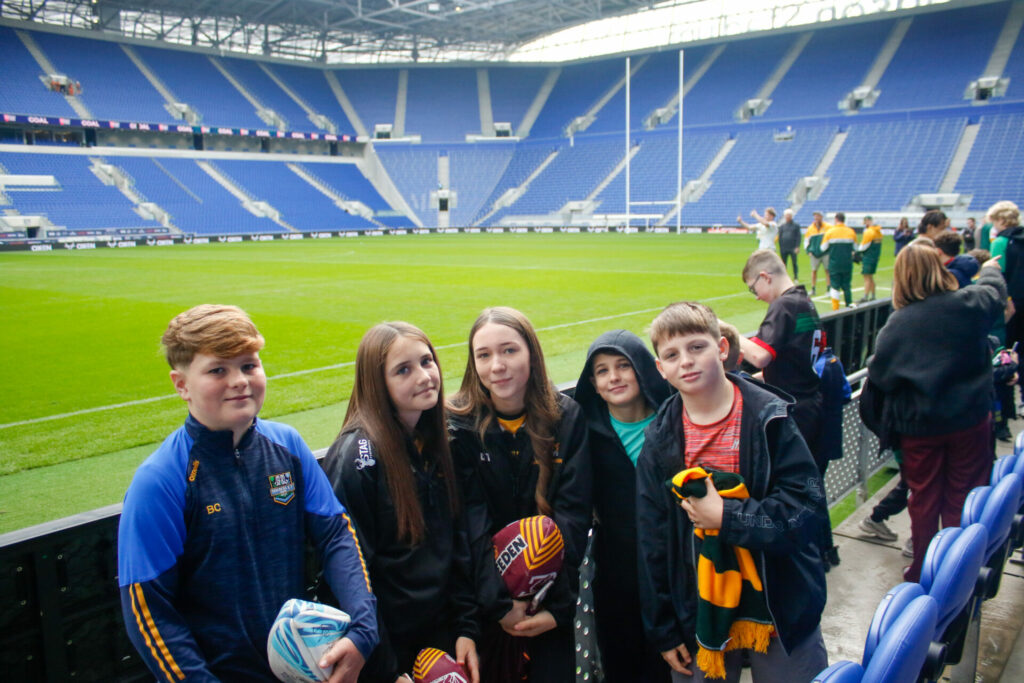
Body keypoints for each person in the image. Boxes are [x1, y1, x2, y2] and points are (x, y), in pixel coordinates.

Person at [117, 305, 378, 682]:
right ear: (181, 384)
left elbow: (336, 534)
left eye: (249, 365)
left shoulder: (287, 446)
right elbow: (149, 612)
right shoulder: (160, 480)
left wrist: (363, 632)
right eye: (218, 370)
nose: (239, 380)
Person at [636, 301, 828, 683]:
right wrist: (664, 629)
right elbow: (652, 540)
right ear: (661, 369)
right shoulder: (659, 439)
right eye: (672, 355)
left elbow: (808, 509)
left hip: (780, 604)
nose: (686, 361)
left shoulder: (770, 418)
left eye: (696, 347)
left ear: (722, 348)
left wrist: (726, 517)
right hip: (700, 610)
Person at [320, 322, 480, 683]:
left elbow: (457, 544)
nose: (424, 376)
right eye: (403, 370)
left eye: (426, 361)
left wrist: (466, 628)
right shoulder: (357, 458)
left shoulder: (439, 441)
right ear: (378, 383)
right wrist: (387, 670)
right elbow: (350, 573)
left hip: (441, 642)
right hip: (388, 654)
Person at [447, 307, 591, 683]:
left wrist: (557, 607)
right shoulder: (458, 426)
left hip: (548, 604)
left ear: (531, 353)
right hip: (485, 606)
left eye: (509, 350)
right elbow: (469, 525)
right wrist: (499, 605)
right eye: (484, 355)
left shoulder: (566, 417)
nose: (497, 366)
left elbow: (572, 517)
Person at [866, 240, 1005, 581]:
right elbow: (995, 293)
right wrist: (989, 269)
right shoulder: (970, 303)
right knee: (963, 496)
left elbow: (880, 374)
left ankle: (924, 570)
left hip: (920, 428)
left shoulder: (899, 324)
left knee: (924, 499)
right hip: (969, 421)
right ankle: (957, 570)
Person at [573, 330, 672, 683]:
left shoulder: (674, 420)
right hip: (617, 570)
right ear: (593, 384)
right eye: (602, 371)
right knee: (622, 660)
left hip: (673, 567)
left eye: (623, 366)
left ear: (643, 368)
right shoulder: (584, 432)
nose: (613, 377)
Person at [738, 249, 837, 570]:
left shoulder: (784, 305)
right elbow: (794, 360)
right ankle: (824, 550)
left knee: (797, 489)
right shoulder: (805, 303)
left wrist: (726, 331)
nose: (756, 296)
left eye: (753, 288)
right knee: (812, 485)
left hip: (797, 411)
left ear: (765, 277)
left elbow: (760, 355)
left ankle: (809, 557)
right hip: (813, 403)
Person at [820, 212, 857, 309]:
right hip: (847, 263)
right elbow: (856, 248)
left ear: (836, 219)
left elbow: (823, 248)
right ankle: (849, 305)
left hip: (834, 263)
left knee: (835, 287)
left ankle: (836, 308)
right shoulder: (851, 232)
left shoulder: (830, 232)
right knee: (847, 286)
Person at [804, 211, 831, 296]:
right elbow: (806, 241)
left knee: (827, 271)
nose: (816, 218)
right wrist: (808, 250)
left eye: (818, 216)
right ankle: (813, 289)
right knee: (814, 271)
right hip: (814, 254)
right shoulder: (810, 228)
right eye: (815, 216)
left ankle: (829, 289)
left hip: (825, 253)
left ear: (821, 217)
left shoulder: (828, 227)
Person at [857, 216, 883, 303]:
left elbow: (864, 246)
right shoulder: (878, 231)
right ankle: (873, 296)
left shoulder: (869, 232)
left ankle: (865, 296)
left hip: (868, 257)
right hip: (875, 257)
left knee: (867, 277)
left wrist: (856, 252)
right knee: (870, 277)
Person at [777, 208, 801, 280]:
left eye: (789, 215)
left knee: (794, 263)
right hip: (784, 248)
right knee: (783, 263)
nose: (787, 217)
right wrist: (780, 247)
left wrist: (797, 246)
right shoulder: (782, 226)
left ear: (791, 216)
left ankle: (795, 276)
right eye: (786, 215)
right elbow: (780, 237)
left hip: (793, 247)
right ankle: (784, 277)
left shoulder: (796, 226)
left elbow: (798, 237)